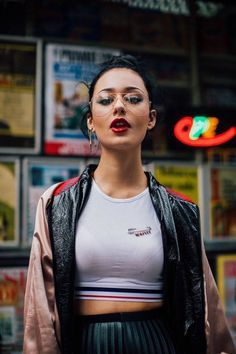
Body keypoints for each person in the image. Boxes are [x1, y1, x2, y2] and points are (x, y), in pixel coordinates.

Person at [23, 55, 235, 354]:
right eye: (106, 100)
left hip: (157, 343)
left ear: (151, 118)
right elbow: (40, 315)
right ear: (90, 121)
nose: (119, 106)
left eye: (133, 98)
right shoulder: (56, 203)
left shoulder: (180, 209)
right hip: (85, 345)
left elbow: (205, 307)